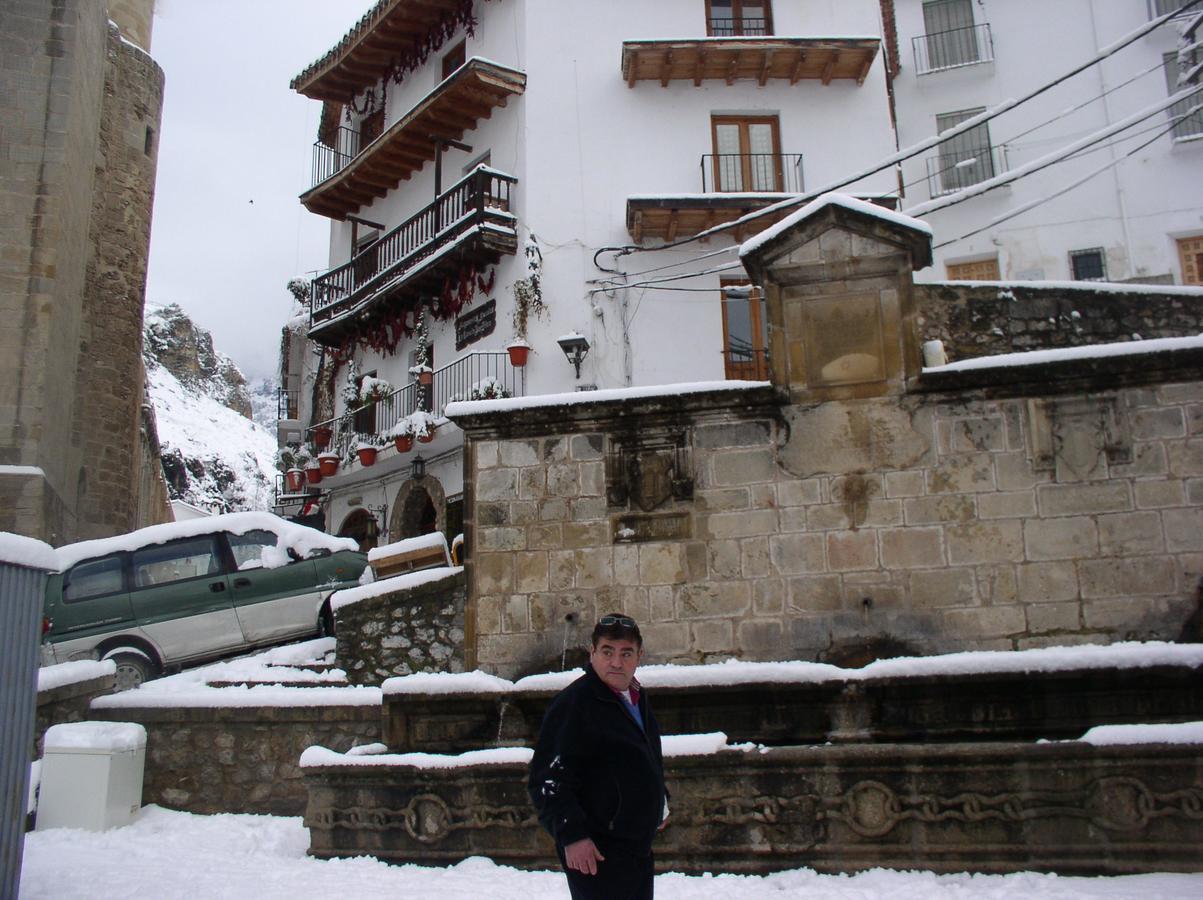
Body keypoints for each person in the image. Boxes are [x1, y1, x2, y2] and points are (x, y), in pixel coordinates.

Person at [528, 613, 668, 900]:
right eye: (607, 652)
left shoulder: (634, 697)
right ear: (592, 652)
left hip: (635, 847)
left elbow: (643, 759)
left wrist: (658, 799)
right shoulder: (576, 705)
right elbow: (548, 780)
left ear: (639, 655)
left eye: (626, 653)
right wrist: (573, 836)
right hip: (597, 851)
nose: (616, 662)